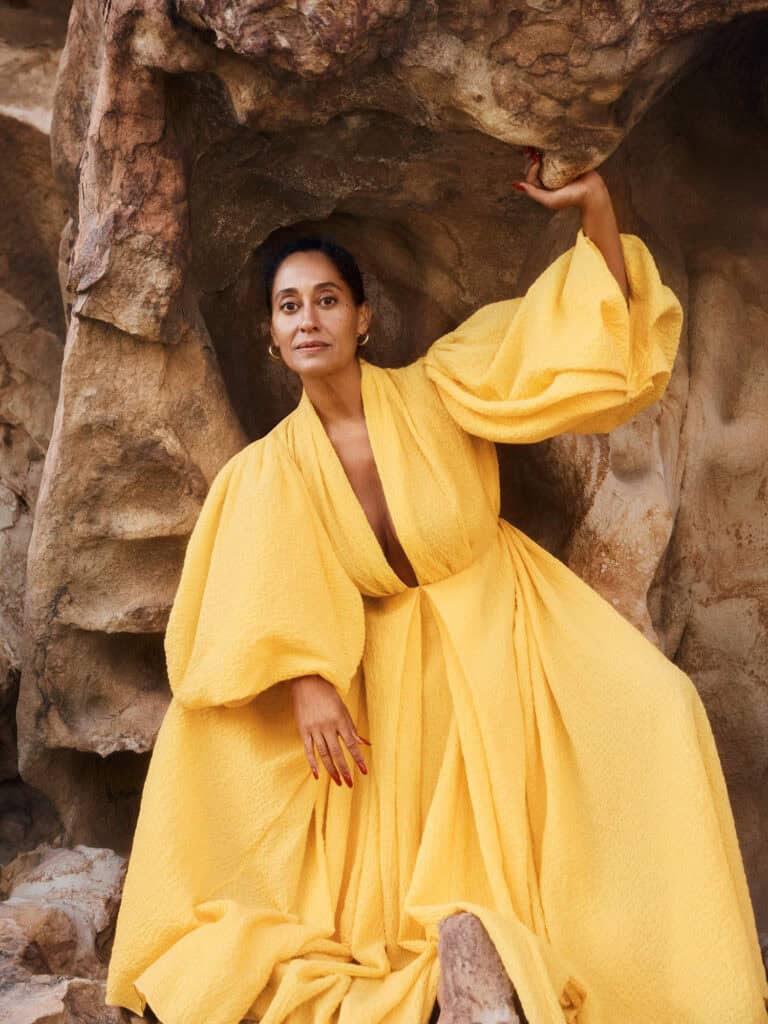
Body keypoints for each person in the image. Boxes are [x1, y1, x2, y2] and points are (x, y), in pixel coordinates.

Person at [105, 149, 768, 1024]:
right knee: (224, 753)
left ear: (364, 317)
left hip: (510, 617)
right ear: (271, 333)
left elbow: (571, 342)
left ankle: (678, 985)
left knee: (660, 708)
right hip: (387, 666)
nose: (309, 320)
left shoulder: (440, 386)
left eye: (327, 300)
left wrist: (595, 208)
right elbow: (243, 604)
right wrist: (307, 683)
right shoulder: (265, 475)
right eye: (289, 305)